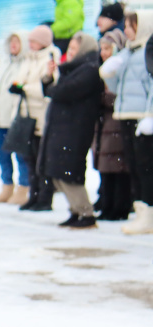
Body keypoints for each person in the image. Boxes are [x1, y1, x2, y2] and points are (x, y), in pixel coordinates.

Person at [38, 32, 103, 229]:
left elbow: (63, 92)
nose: (71, 53)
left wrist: (54, 86)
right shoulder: (74, 69)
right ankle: (75, 210)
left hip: (75, 128)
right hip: (64, 128)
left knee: (69, 172)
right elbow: (55, 91)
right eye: (70, 49)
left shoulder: (89, 70)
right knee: (59, 171)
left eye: (75, 49)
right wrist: (49, 78)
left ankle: (85, 212)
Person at [100, 10, 153, 234]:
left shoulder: (147, 53)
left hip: (142, 117)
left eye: (132, 26)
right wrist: (110, 75)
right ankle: (141, 211)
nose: (127, 30)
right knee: (133, 166)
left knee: (146, 167)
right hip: (125, 114)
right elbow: (116, 88)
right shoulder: (128, 53)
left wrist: (150, 115)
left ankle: (148, 213)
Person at [10, 25, 61, 211]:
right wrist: (17, 86)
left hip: (41, 117)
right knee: (29, 158)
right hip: (26, 115)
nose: (30, 44)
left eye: (33, 41)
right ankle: (34, 195)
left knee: (42, 160)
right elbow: (20, 80)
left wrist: (24, 89)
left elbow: (47, 89)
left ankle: (45, 197)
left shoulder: (50, 59)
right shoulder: (29, 59)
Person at [0, 32, 31, 205]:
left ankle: (23, 187)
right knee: (2, 155)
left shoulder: (25, 64)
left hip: (14, 118)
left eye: (17, 41)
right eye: (11, 41)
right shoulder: (2, 64)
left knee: (20, 155)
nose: (13, 45)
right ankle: (7, 186)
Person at [94, 29, 131, 221]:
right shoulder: (100, 68)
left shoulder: (119, 67)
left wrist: (100, 97)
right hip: (103, 124)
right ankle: (106, 204)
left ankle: (119, 206)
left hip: (116, 123)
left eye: (107, 48)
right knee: (105, 166)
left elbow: (118, 95)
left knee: (117, 167)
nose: (104, 52)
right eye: (102, 48)